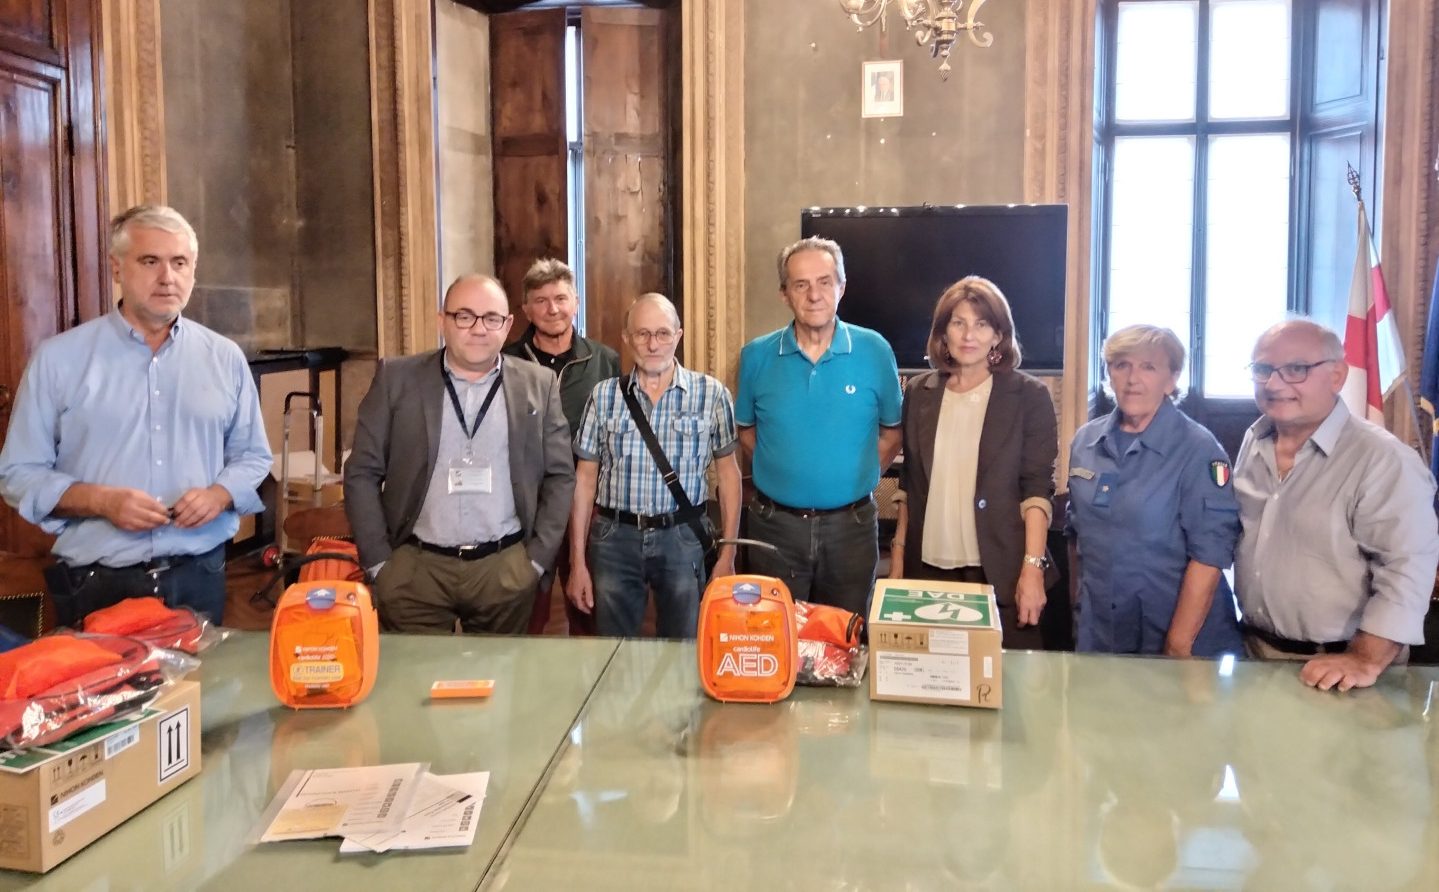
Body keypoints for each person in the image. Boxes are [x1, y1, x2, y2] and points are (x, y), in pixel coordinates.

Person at [0, 204, 271, 626]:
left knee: (204, 674)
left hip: (199, 574)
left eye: (179, 263)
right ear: (116, 268)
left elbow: (253, 455)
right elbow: (18, 473)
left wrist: (219, 494)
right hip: (97, 581)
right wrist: (102, 501)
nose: (167, 277)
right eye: (150, 261)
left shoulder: (224, 358)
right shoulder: (59, 360)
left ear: (193, 271)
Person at [343, 274, 575, 634]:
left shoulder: (538, 384)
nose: (479, 329)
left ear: (508, 325)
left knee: (498, 671)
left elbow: (560, 476)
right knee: (415, 670)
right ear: (443, 321)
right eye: (464, 316)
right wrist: (379, 563)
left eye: (491, 318)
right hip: (414, 568)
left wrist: (536, 561)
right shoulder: (397, 379)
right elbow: (361, 472)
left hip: (505, 569)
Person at [1233, 319, 1439, 690]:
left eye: (1296, 369)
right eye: (1263, 369)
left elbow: (1406, 568)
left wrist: (1365, 658)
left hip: (1345, 669)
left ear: (1337, 376)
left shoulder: (1383, 459)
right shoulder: (1254, 440)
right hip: (1254, 655)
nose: (1274, 384)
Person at [735, 236, 903, 614]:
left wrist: (852, 477)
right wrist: (783, 469)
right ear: (784, 294)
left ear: (841, 287)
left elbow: (893, 432)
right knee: (775, 633)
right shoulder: (756, 356)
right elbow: (746, 430)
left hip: (851, 529)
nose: (814, 295)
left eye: (825, 282)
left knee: (845, 635)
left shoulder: (875, 350)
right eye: (801, 284)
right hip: (775, 526)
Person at [893, 277, 1057, 649]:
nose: (969, 335)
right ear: (943, 332)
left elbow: (1036, 489)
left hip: (1001, 571)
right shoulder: (919, 393)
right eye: (958, 323)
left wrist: (1033, 569)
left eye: (982, 324)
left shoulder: (1029, 396)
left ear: (998, 335)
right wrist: (898, 560)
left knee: (1011, 681)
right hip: (928, 572)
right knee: (932, 678)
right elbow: (910, 483)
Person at [567, 293, 740, 637]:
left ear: (678, 336)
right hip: (615, 539)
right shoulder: (603, 396)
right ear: (626, 338)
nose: (653, 344)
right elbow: (584, 481)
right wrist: (577, 562)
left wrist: (728, 556)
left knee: (683, 646)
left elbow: (729, 476)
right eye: (642, 334)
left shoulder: (712, 394)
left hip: (683, 537)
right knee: (613, 648)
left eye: (662, 333)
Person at [1065, 325, 1242, 658]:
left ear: (1171, 379)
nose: (1133, 379)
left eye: (1148, 367)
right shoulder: (1086, 442)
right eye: (1122, 365)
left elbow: (1210, 554)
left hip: (1174, 638)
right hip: (1100, 633)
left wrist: (1178, 645)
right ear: (1109, 374)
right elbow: (1076, 535)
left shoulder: (1199, 449)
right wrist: (1079, 611)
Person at [502, 258, 621, 634]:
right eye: (540, 300)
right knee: (525, 609)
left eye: (560, 298)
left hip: (587, 500)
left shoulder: (604, 360)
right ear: (525, 309)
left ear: (576, 302)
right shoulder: (506, 361)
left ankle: (591, 670)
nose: (552, 309)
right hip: (525, 503)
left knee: (588, 608)